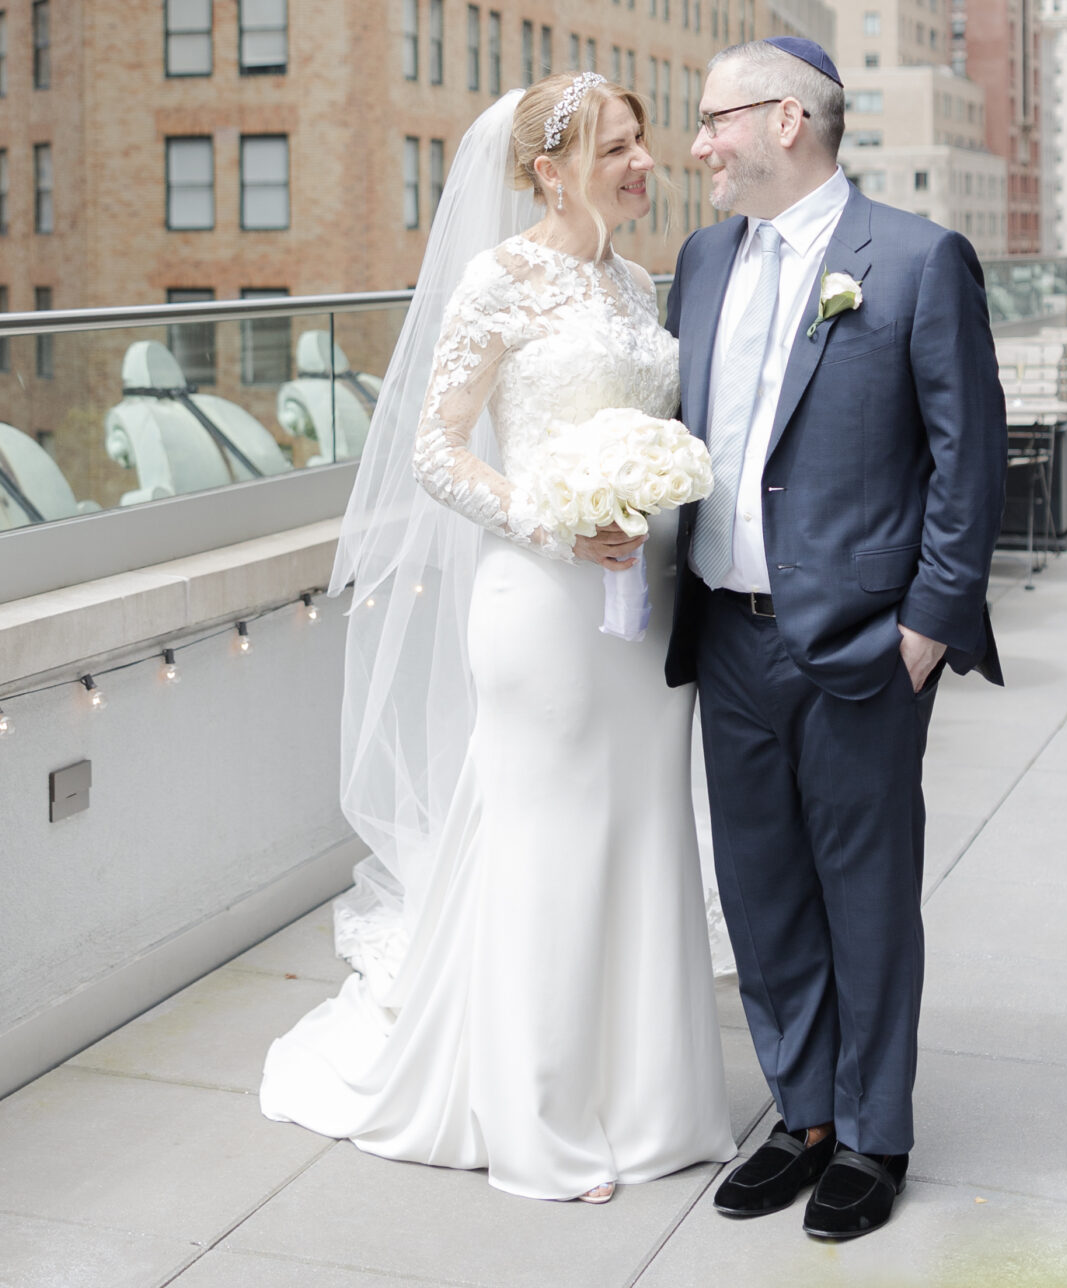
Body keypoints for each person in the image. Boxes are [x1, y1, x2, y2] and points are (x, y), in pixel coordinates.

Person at [260, 75, 733, 1202]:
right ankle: (540, 1121)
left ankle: (651, 1102)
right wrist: (555, 521)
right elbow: (435, 449)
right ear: (546, 172)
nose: (643, 164)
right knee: (550, 846)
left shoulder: (633, 283)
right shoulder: (498, 279)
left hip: (645, 612)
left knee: (645, 830)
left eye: (644, 144)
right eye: (617, 148)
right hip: (542, 607)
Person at [666, 35, 1007, 1245]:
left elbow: (971, 460)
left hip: (864, 647)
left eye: (713, 120)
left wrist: (927, 627)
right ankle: (802, 1114)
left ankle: (873, 1133)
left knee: (866, 895)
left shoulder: (916, 261)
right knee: (760, 895)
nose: (696, 144)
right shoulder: (703, 260)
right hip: (725, 639)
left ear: (787, 122)